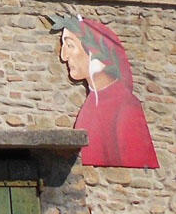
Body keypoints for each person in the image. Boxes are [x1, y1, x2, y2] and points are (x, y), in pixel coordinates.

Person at [50, 14, 158, 168]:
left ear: (94, 51)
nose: (64, 56)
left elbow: (137, 167)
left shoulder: (127, 107)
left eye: (70, 45)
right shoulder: (91, 103)